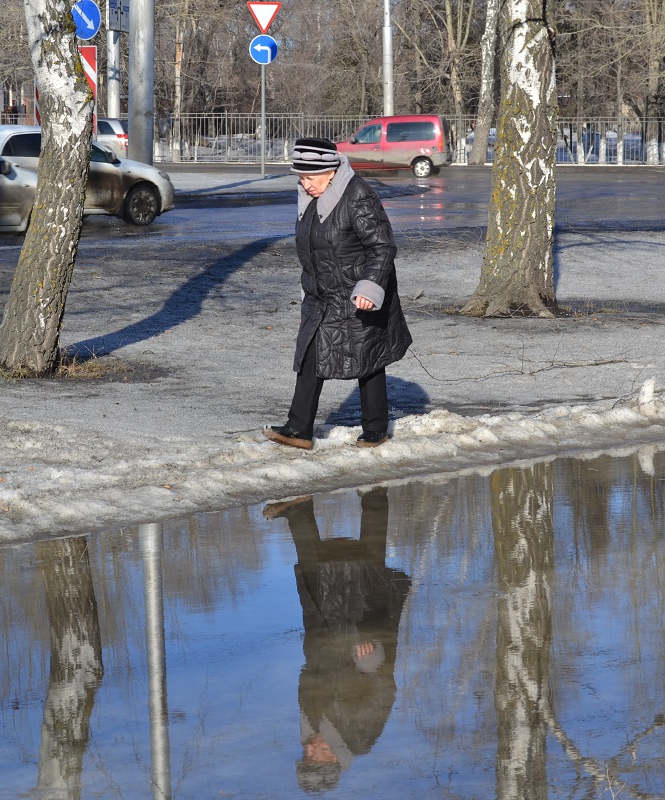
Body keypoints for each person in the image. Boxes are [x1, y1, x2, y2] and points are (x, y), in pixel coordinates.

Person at [264, 137, 413, 450]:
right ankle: (298, 429)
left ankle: (375, 429)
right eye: (301, 177)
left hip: (358, 294)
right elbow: (312, 253)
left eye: (310, 177)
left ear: (331, 172)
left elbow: (382, 246)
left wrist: (369, 287)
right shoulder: (309, 199)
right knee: (309, 357)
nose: (305, 184)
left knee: (368, 359)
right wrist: (307, 296)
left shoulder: (357, 194)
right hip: (322, 297)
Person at [262, 489, 411, 793]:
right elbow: (383, 693)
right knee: (367, 572)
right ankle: (374, 495)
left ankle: (299, 511)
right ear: (330, 759)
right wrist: (369, 661)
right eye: (313, 756)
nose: (307, 749)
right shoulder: (360, 738)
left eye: (304, 757)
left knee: (315, 579)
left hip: (322, 641)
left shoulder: (312, 727)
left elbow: (308, 682)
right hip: (362, 643)